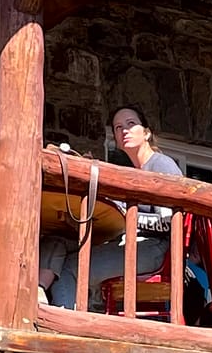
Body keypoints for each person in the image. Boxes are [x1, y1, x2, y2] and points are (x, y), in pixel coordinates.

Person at [38, 107, 183, 310]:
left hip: (155, 248)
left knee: (73, 267)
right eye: (118, 127)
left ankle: (65, 327)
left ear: (147, 132)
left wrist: (127, 217)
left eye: (131, 124)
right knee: (56, 240)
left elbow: (169, 223)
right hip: (129, 241)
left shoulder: (161, 165)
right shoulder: (132, 172)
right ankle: (38, 292)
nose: (124, 130)